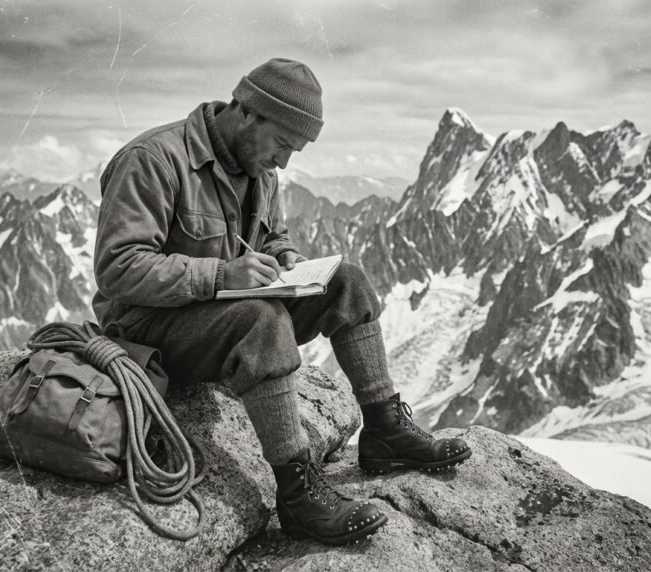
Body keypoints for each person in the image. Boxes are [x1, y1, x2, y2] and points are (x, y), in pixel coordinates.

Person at [91, 58, 471, 545]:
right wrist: (222, 275)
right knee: (261, 318)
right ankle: (298, 495)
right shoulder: (152, 159)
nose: (285, 161)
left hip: (220, 316)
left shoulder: (260, 168)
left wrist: (286, 258)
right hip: (148, 332)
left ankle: (384, 429)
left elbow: (271, 237)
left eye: (295, 149)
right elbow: (118, 268)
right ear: (248, 112)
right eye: (283, 144)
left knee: (347, 281)